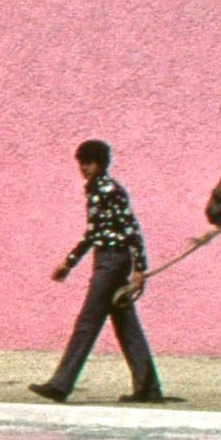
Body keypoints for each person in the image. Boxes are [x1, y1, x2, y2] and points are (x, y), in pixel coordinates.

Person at [32, 138, 163, 403]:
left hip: (113, 261)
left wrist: (140, 269)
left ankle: (61, 384)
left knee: (88, 320)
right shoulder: (94, 190)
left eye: (89, 163)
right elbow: (93, 233)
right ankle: (148, 387)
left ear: (102, 163)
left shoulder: (109, 190)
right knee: (126, 324)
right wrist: (69, 262)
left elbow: (131, 228)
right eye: (82, 163)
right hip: (105, 258)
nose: (84, 168)